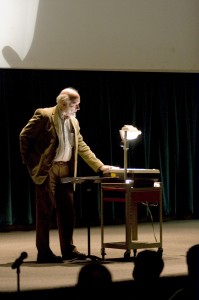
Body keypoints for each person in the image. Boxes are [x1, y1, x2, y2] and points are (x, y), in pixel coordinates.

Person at [19, 87, 110, 263]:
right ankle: (44, 252)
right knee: (45, 212)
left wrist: (99, 166)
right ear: (63, 103)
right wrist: (31, 163)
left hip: (67, 169)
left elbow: (81, 145)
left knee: (68, 211)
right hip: (48, 169)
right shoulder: (44, 115)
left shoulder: (74, 122)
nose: (78, 108)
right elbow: (24, 136)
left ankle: (68, 250)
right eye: (75, 105)